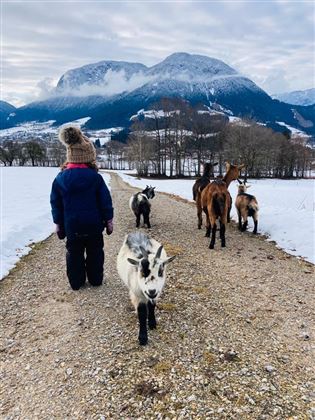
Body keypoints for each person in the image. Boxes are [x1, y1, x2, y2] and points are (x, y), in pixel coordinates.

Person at [50, 125, 113, 290]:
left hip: (72, 225)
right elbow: (105, 202)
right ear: (89, 157)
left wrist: (58, 223)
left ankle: (76, 282)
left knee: (74, 253)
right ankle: (95, 279)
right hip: (93, 225)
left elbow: (56, 204)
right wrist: (108, 220)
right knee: (95, 252)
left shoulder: (60, 179)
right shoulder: (96, 178)